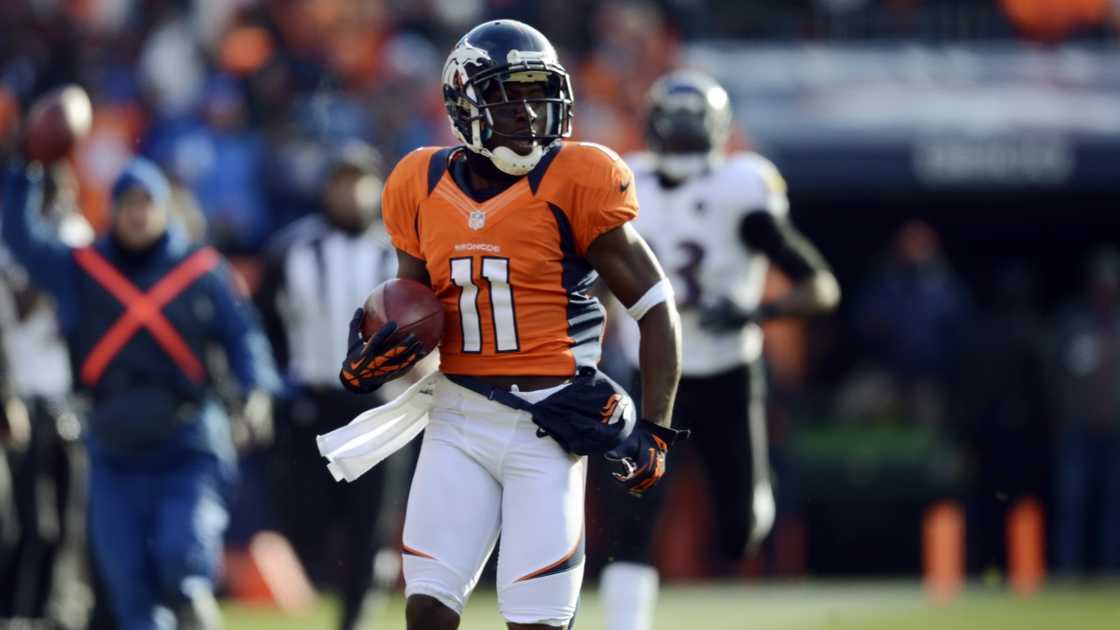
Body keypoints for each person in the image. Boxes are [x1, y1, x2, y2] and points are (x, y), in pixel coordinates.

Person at [336, 20, 685, 630]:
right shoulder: (417, 182)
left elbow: (657, 309)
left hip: (548, 427)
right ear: (463, 102)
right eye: (507, 95)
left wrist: (655, 427)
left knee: (537, 623)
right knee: (426, 611)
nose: (528, 112)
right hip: (458, 420)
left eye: (536, 93)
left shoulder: (578, 179)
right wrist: (380, 356)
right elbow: (414, 312)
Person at [599, 71, 840, 630]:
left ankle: (754, 495)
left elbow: (820, 285)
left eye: (691, 130)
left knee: (741, 530)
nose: (681, 141)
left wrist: (756, 314)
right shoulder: (625, 182)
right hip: (653, 373)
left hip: (729, 372)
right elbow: (597, 272)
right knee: (634, 512)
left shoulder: (742, 188)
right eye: (674, 130)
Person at [2, 150, 279, 630]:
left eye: (146, 202)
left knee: (182, 561)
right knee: (129, 589)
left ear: (163, 208)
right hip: (112, 449)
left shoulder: (200, 271)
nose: (136, 212)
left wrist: (256, 391)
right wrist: (29, 167)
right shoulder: (83, 269)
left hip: (187, 443)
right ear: (112, 209)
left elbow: (244, 337)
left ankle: (196, 611)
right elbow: (20, 239)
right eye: (127, 202)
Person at [257, 141, 410, 629]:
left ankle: (356, 611)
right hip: (312, 400)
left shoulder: (401, 252)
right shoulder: (291, 250)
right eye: (341, 181)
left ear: (378, 186)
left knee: (370, 520)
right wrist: (272, 388)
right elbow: (263, 328)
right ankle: (352, 583)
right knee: (309, 520)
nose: (350, 192)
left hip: (379, 404)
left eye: (360, 181)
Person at [0, 161, 94, 628]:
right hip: (15, 394)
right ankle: (17, 611)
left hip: (62, 397)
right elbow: (19, 310)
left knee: (63, 522)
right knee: (23, 523)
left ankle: (48, 611)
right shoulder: (14, 247)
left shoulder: (75, 241)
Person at [1050, 247, 1120, 574]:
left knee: (1113, 506)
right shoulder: (1073, 323)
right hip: (1078, 428)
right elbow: (1056, 376)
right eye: (1101, 284)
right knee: (1073, 504)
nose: (1106, 290)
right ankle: (1068, 571)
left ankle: (1110, 572)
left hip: (1115, 428)